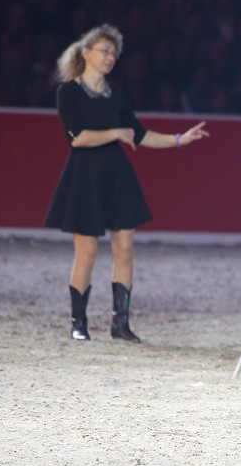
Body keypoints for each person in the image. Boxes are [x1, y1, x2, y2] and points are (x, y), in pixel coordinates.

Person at [44, 24, 209, 342]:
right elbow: (77, 138)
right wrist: (116, 134)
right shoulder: (69, 92)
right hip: (84, 177)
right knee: (87, 252)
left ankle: (120, 324)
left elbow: (140, 134)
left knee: (125, 249)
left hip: (117, 175)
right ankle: (79, 322)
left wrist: (178, 139)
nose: (110, 57)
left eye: (114, 53)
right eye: (104, 51)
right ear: (86, 52)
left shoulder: (116, 95)